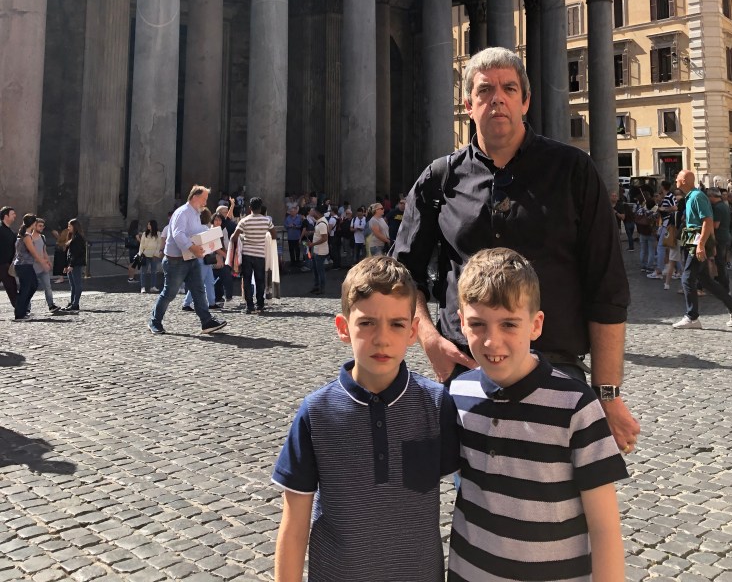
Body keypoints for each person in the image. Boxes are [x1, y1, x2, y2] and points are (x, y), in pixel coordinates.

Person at [395, 46, 639, 453]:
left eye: (509, 89)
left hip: (555, 369)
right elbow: (404, 274)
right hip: (467, 369)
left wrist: (608, 393)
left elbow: (607, 287)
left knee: (562, 491)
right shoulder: (440, 178)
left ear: (525, 101)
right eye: (485, 90)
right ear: (468, 105)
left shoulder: (573, 171)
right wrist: (429, 339)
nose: (498, 99)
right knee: (473, 489)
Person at [272, 256, 458, 582]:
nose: (382, 338)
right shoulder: (316, 413)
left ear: (413, 331)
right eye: (367, 323)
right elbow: (294, 526)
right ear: (344, 328)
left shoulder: (436, 404)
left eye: (396, 324)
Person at [449, 247, 627, 582]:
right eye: (477, 324)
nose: (492, 341)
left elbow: (604, 526)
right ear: (461, 323)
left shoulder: (576, 405)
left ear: (536, 325)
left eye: (509, 324)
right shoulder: (458, 393)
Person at [673, 170, 732, 330]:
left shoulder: (697, 197)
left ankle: (692, 317)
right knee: (706, 280)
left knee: (687, 278)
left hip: (697, 241)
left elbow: (707, 220)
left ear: (684, 180)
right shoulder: (691, 196)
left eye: (677, 178)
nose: (675, 180)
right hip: (694, 240)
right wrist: (710, 245)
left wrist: (702, 245)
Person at [148, 185, 227, 336]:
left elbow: (196, 232)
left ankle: (206, 321)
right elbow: (178, 234)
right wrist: (192, 247)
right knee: (169, 293)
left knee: (198, 290)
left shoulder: (195, 213)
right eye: (204, 199)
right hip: (175, 261)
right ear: (195, 197)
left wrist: (209, 236)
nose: (205, 202)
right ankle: (154, 321)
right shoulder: (182, 212)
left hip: (190, 259)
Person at [230, 196, 274, 314]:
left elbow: (234, 237)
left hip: (247, 254)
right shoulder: (267, 221)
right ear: (261, 208)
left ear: (250, 208)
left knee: (247, 280)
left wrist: (242, 238)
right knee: (260, 280)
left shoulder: (244, 221)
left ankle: (249, 306)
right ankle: (260, 305)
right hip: (260, 254)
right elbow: (274, 235)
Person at [12, 213, 50, 321]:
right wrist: (43, 263)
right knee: (25, 289)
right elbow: (34, 253)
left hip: (26, 265)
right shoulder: (27, 236)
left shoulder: (25, 234)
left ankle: (22, 310)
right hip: (23, 265)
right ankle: (20, 314)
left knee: (33, 285)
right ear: (33, 224)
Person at [31, 217, 64, 314]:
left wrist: (49, 262)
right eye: (40, 226)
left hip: (43, 268)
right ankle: (27, 308)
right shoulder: (29, 238)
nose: (42, 228)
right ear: (34, 226)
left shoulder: (42, 237)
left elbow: (44, 251)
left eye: (43, 226)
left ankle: (51, 305)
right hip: (32, 268)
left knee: (48, 287)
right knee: (30, 289)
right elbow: (32, 254)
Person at [64, 218, 87, 312]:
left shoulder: (78, 238)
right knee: (73, 285)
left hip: (75, 264)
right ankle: (72, 302)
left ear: (74, 226)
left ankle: (75, 303)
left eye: (69, 226)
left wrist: (71, 265)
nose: (68, 228)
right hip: (71, 263)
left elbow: (76, 253)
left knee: (77, 284)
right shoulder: (74, 237)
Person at [307, 207, 329, 295]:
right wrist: (312, 233)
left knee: (320, 271)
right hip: (317, 250)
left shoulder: (322, 223)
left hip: (320, 251)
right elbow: (319, 233)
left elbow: (324, 238)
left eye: (313, 211)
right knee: (316, 270)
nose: (311, 212)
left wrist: (313, 244)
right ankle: (317, 286)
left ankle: (322, 288)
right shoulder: (319, 222)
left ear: (317, 213)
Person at [0, 206, 18, 311]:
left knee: (12, 288)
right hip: (2, 264)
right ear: (6, 216)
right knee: (12, 288)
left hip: (7, 264)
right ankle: (20, 310)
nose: (15, 216)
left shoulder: (10, 231)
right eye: (12, 214)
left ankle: (20, 309)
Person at [138, 220, 163, 293]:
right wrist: (140, 254)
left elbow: (159, 244)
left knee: (154, 271)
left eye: (149, 224)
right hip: (145, 255)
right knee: (143, 272)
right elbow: (141, 244)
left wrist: (156, 254)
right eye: (148, 224)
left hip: (154, 255)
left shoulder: (158, 234)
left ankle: (153, 286)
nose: (148, 226)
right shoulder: (144, 234)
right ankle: (143, 287)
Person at [283, 204, 303, 270]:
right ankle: (292, 261)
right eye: (290, 211)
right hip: (290, 236)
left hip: (297, 236)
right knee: (291, 249)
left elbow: (301, 226)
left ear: (295, 212)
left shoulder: (299, 217)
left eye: (292, 211)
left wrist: (296, 226)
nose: (291, 212)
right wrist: (289, 226)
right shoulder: (288, 218)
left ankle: (297, 261)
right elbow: (285, 225)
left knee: (297, 249)